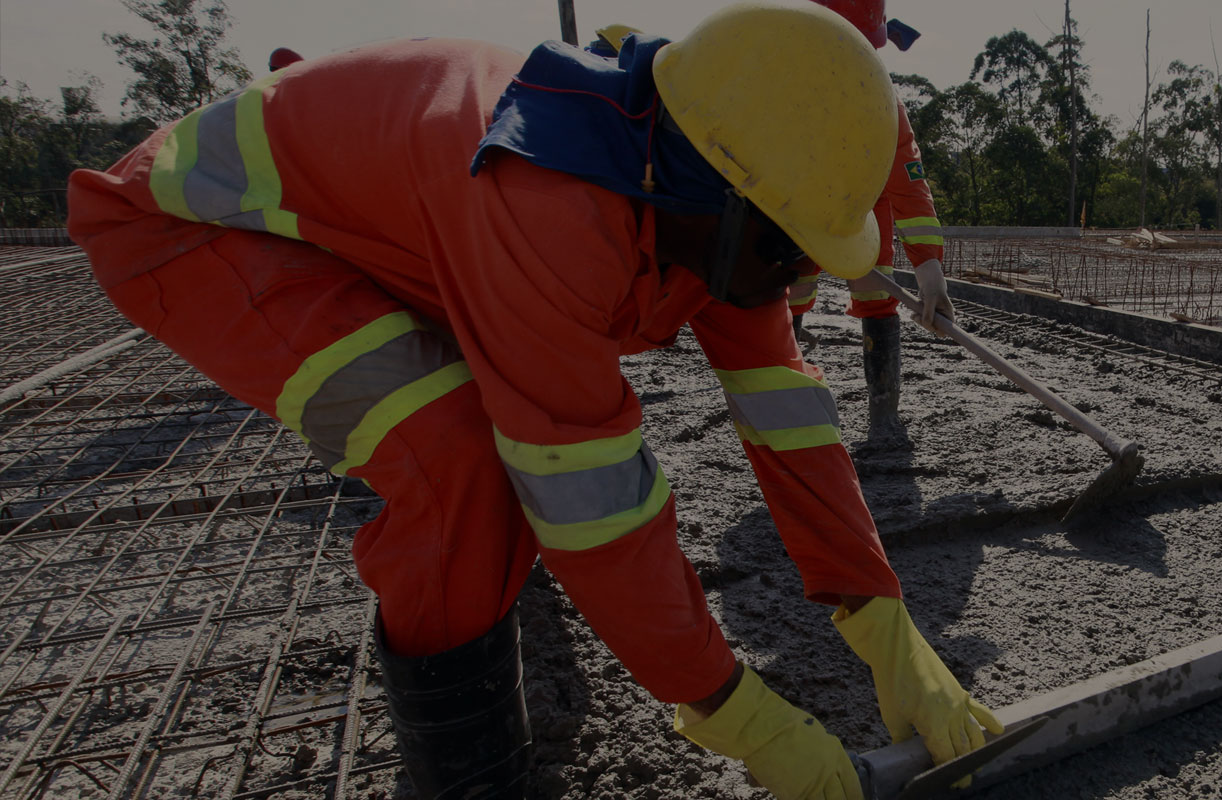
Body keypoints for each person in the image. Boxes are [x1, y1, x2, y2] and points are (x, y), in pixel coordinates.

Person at [66, 5, 998, 799]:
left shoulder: (707, 200)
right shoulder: (551, 201)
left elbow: (788, 418)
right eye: (782, 249)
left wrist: (885, 624)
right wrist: (733, 710)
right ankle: (465, 775)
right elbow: (591, 500)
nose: (787, 278)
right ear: (715, 194)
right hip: (197, 232)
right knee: (458, 461)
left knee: (485, 454)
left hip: (376, 238)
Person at [784, 0, 956, 439]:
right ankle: (786, 407)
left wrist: (931, 275)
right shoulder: (779, 82)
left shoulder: (882, 102)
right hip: (794, 205)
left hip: (864, 210)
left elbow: (910, 191)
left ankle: (884, 415)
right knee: (790, 296)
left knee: (876, 294)